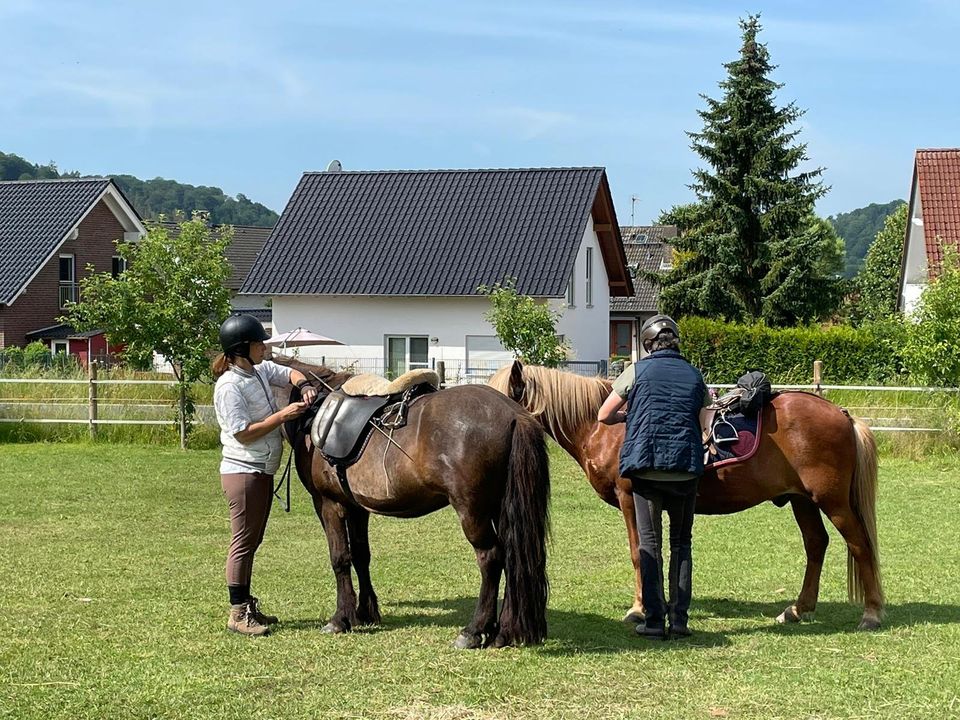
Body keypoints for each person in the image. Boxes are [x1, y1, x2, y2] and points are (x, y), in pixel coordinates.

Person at [597, 314, 709, 640]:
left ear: (648, 344)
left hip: (646, 469)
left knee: (650, 544)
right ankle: (680, 621)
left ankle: (655, 621)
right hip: (686, 471)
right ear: (676, 341)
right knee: (682, 545)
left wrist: (628, 414)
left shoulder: (637, 371)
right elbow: (704, 423)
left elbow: (604, 415)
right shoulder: (694, 374)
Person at [212, 314, 318, 636]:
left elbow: (288, 372)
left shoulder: (257, 371)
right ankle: (238, 613)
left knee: (252, 540)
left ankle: (245, 604)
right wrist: (283, 415)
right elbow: (243, 433)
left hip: (260, 470)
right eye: (259, 344)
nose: (264, 348)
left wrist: (304, 384)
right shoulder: (229, 386)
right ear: (243, 348)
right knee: (243, 542)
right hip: (244, 472)